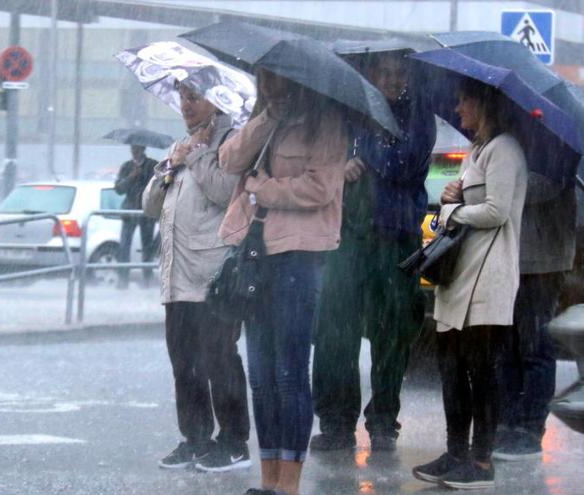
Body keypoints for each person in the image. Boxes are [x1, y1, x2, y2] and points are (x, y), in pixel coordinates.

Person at [219, 68, 347, 495]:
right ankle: (267, 478)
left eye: (279, 79)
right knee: (260, 374)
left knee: (290, 373)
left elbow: (320, 188)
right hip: (255, 255)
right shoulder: (263, 121)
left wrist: (264, 190)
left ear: (299, 80)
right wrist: (266, 120)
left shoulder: (325, 123)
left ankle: (289, 483)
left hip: (299, 255)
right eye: (264, 78)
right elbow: (229, 160)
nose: (271, 86)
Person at [310, 50, 436, 454]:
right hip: (346, 236)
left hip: (396, 238)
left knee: (392, 334)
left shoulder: (418, 114)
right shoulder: (346, 109)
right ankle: (335, 422)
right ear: (370, 74)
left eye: (400, 73)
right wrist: (342, 165)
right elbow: (323, 162)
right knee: (334, 332)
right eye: (385, 71)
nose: (393, 79)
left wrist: (365, 148)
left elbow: (403, 162)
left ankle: (383, 422)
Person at [412, 79, 527, 490]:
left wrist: (455, 211)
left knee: (481, 371)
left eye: (464, 101)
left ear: (483, 103)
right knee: (452, 371)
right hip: (459, 275)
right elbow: (462, 205)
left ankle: (480, 463)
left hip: (489, 276)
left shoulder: (505, 150)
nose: (458, 108)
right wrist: (450, 198)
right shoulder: (477, 150)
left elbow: (496, 211)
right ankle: (455, 452)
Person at [142, 81, 251, 473]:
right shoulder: (181, 145)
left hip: (212, 275)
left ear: (214, 100)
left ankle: (234, 441)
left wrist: (198, 156)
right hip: (176, 276)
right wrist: (171, 165)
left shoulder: (230, 142)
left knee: (219, 358)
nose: (186, 105)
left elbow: (226, 192)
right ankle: (196, 438)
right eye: (183, 98)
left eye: (194, 97)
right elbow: (150, 206)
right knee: (184, 362)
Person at [494, 178, 575, 460]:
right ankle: (506, 423)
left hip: (543, 260)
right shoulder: (522, 140)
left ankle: (529, 430)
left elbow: (545, 187)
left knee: (534, 346)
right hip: (513, 256)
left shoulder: (554, 149)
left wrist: (503, 180)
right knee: (507, 347)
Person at [114, 144, 158, 289]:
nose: (134, 152)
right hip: (130, 211)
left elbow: (160, 186)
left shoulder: (152, 165)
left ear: (143, 149)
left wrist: (146, 177)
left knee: (147, 246)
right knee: (124, 245)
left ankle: (147, 277)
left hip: (146, 212)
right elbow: (119, 189)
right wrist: (130, 178)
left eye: (137, 149)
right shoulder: (126, 166)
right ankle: (123, 278)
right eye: (133, 149)